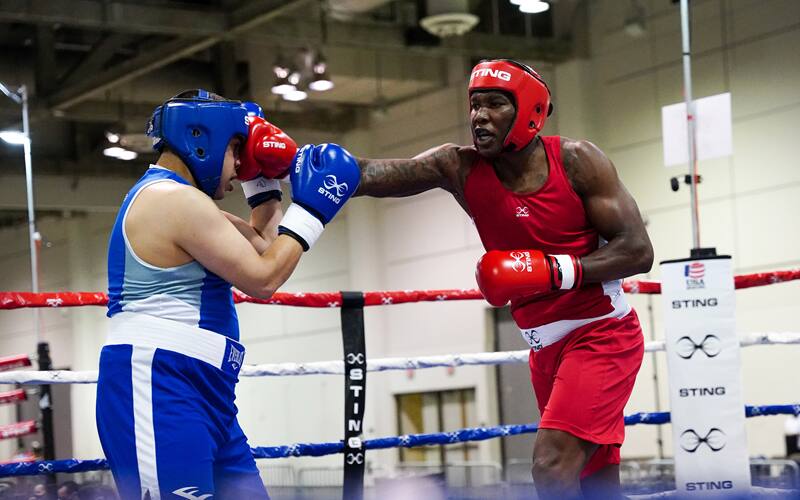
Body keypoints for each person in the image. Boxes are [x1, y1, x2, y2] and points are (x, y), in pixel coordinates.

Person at [355, 59, 653, 499]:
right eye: (475, 105)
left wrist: (555, 270)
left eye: (495, 103)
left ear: (530, 110)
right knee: (595, 485)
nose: (479, 115)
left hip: (600, 336)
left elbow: (638, 250)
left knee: (551, 469)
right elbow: (375, 175)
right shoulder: (459, 167)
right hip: (543, 350)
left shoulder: (577, 161)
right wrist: (297, 162)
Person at [97, 89, 360, 499]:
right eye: (237, 149)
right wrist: (311, 210)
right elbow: (263, 278)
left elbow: (262, 246)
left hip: (206, 392)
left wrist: (263, 181)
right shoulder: (172, 201)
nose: (239, 163)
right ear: (202, 137)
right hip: (160, 385)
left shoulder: (187, 203)